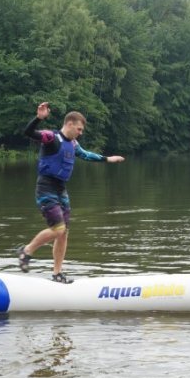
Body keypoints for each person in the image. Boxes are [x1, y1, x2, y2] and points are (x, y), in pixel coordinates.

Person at [16, 102, 125, 283]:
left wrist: (108, 159)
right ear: (70, 124)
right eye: (79, 129)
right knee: (58, 229)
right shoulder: (51, 137)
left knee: (64, 232)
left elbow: (87, 155)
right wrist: (38, 118)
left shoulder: (73, 144)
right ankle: (26, 251)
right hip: (46, 187)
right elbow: (28, 133)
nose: (81, 133)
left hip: (61, 189)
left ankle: (57, 273)